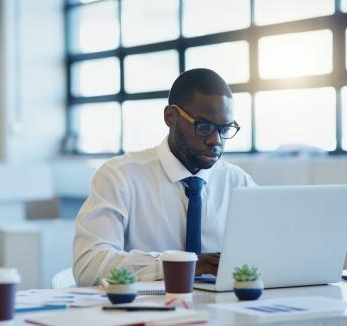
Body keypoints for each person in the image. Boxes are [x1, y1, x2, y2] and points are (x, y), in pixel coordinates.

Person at [73, 68, 256, 286]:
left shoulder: (239, 184)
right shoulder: (119, 176)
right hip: (146, 314)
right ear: (171, 117)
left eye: (225, 129)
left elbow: (267, 253)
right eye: (204, 126)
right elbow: (89, 266)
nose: (215, 140)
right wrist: (185, 264)